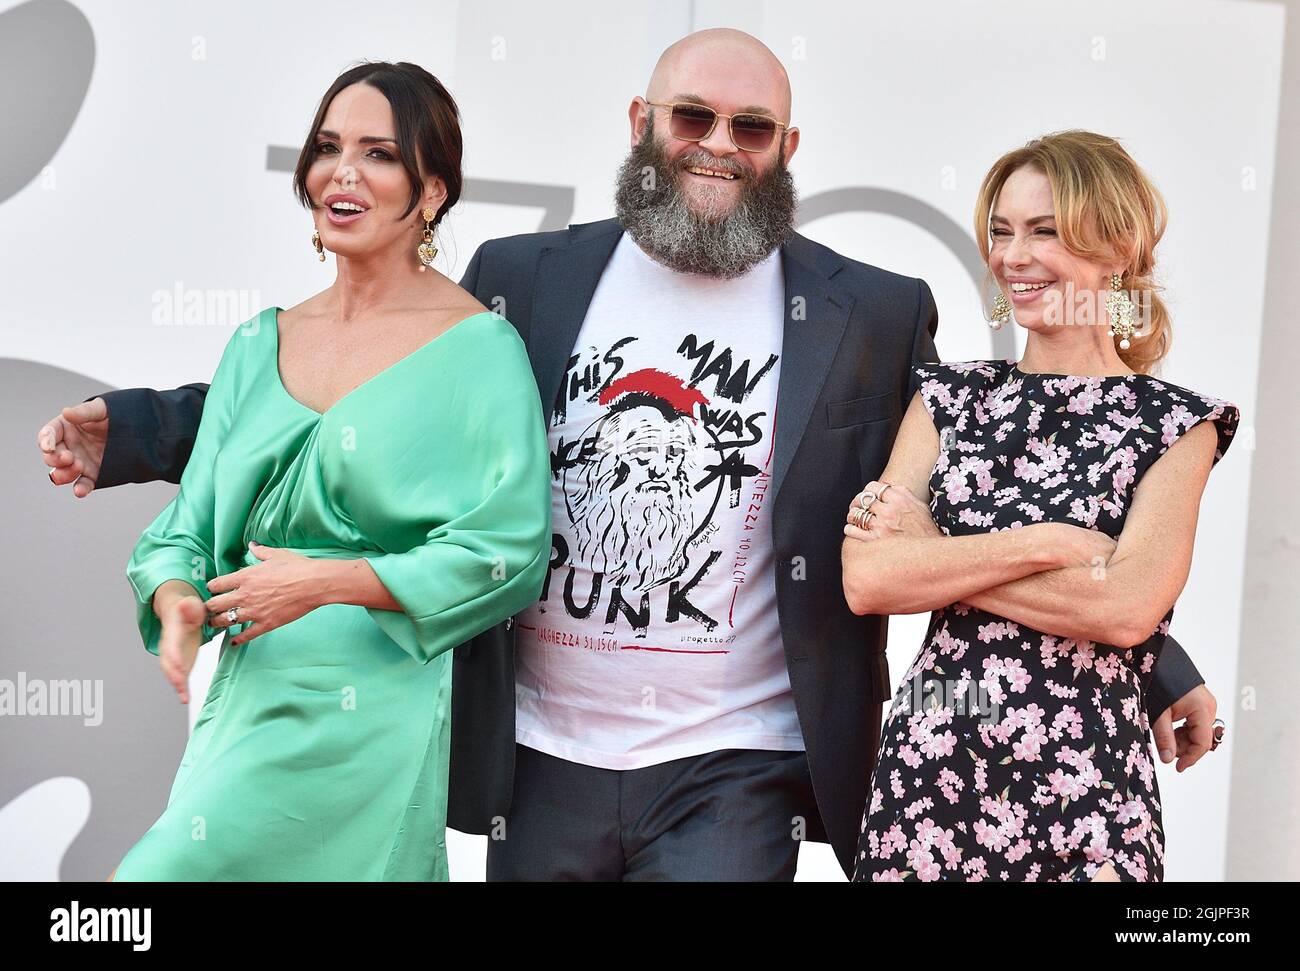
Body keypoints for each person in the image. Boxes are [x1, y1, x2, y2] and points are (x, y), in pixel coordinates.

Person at [39, 33, 1218, 882]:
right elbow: (352, 394)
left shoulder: (868, 309)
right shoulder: (523, 278)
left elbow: (964, 498)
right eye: (690, 118)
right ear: (640, 126)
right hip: (543, 753)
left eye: (749, 128)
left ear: (787, 146)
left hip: (738, 762)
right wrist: (134, 429)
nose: (717, 146)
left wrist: (1148, 647)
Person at [85, 62, 549, 879]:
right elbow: (185, 531)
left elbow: (509, 549)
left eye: (379, 154)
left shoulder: (481, 349)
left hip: (383, 705)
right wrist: (178, 599)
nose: (343, 171)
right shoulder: (256, 342)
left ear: (431, 192)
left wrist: (327, 582)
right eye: (328, 147)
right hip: (253, 694)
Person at [842, 131, 1240, 882]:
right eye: (1001, 230)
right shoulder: (948, 396)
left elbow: (1124, 609)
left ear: (1115, 247)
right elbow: (871, 581)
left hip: (1088, 792)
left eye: (1044, 231)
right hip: (931, 772)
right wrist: (1056, 541)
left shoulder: (1176, 423)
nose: (1012, 256)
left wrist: (937, 553)